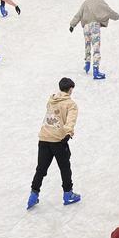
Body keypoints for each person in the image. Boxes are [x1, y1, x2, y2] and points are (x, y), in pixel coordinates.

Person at [27, 77, 81, 210]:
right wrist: (68, 133)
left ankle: (33, 195)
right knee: (65, 167)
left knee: (41, 169)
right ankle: (68, 194)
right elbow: (71, 120)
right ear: (70, 89)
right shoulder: (71, 104)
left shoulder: (51, 100)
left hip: (44, 137)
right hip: (58, 140)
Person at [68, 0, 119, 79]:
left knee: (87, 45)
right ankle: (96, 70)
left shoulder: (86, 3)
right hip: (95, 27)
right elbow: (110, 12)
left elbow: (78, 14)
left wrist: (72, 24)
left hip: (86, 27)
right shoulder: (101, 2)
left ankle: (87, 64)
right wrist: (117, 16)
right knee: (96, 48)